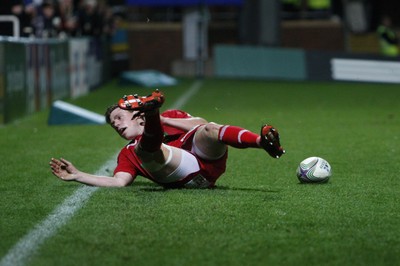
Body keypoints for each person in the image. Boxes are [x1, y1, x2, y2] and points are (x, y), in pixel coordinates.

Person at [49, 90, 285, 189]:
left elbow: (202, 125)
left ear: (135, 113)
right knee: (146, 150)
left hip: (210, 162)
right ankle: (152, 120)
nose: (117, 125)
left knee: (210, 129)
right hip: (186, 175)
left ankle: (262, 142)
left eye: (119, 117)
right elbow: (119, 182)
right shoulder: (128, 153)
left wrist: (164, 120)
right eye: (113, 124)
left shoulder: (171, 117)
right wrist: (78, 175)